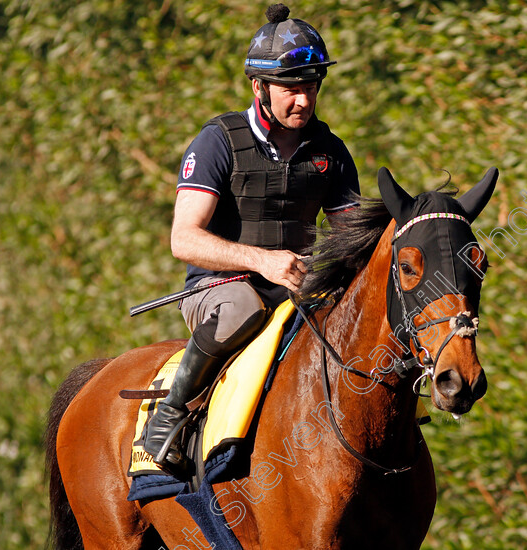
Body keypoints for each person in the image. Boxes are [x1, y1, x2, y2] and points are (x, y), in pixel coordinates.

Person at [142, 3, 360, 472]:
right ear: (259, 87)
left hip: (297, 289)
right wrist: (261, 261)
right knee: (244, 306)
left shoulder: (332, 151)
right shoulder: (217, 141)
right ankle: (170, 415)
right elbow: (184, 239)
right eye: (291, 90)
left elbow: (350, 240)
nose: (302, 101)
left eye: (310, 88)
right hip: (219, 291)